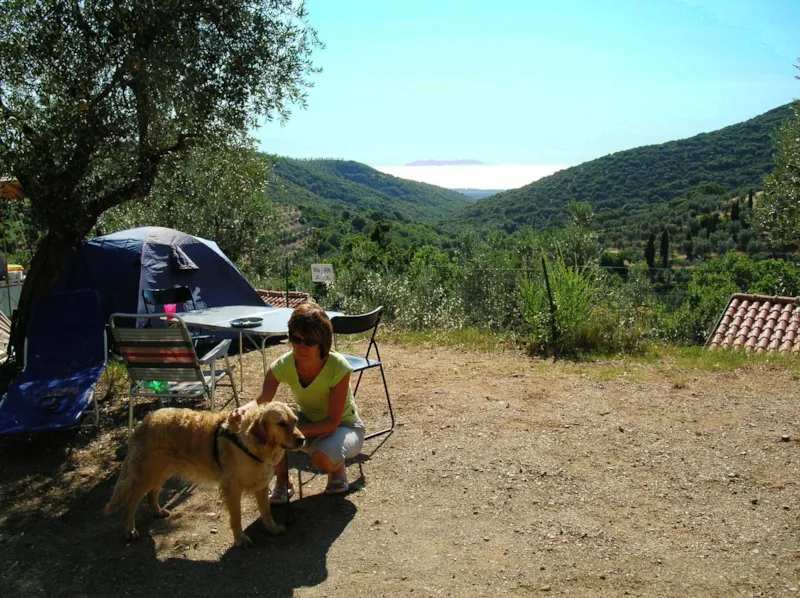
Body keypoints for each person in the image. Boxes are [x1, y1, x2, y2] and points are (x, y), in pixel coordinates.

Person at [228, 301, 365, 502]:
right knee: (274, 425)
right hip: (307, 422)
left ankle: (337, 470)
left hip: (345, 427)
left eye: (309, 341)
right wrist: (242, 410)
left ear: (322, 342)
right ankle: (283, 482)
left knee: (319, 457)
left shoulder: (338, 367)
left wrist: (290, 433)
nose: (301, 346)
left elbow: (332, 422)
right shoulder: (284, 364)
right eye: (295, 338)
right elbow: (262, 400)